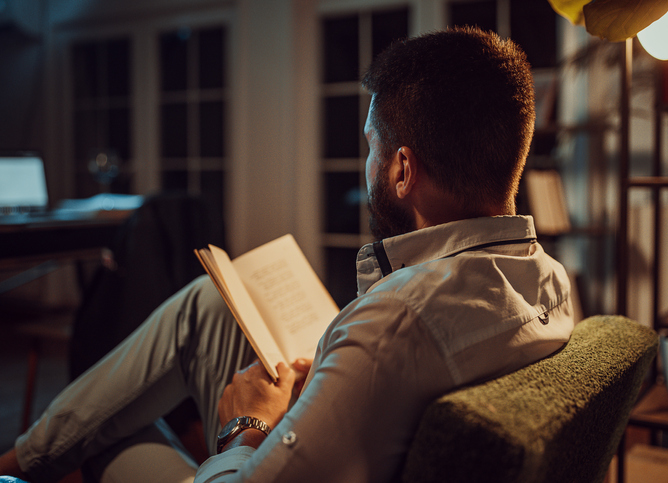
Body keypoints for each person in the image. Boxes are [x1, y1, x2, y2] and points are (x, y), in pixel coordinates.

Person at [0, 26, 574, 483]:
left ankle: (21, 463)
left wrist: (246, 426)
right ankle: (18, 461)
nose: (368, 164)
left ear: (402, 169)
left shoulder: (396, 322)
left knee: (111, 434)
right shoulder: (547, 278)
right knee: (210, 301)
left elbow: (390, 348)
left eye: (372, 148)